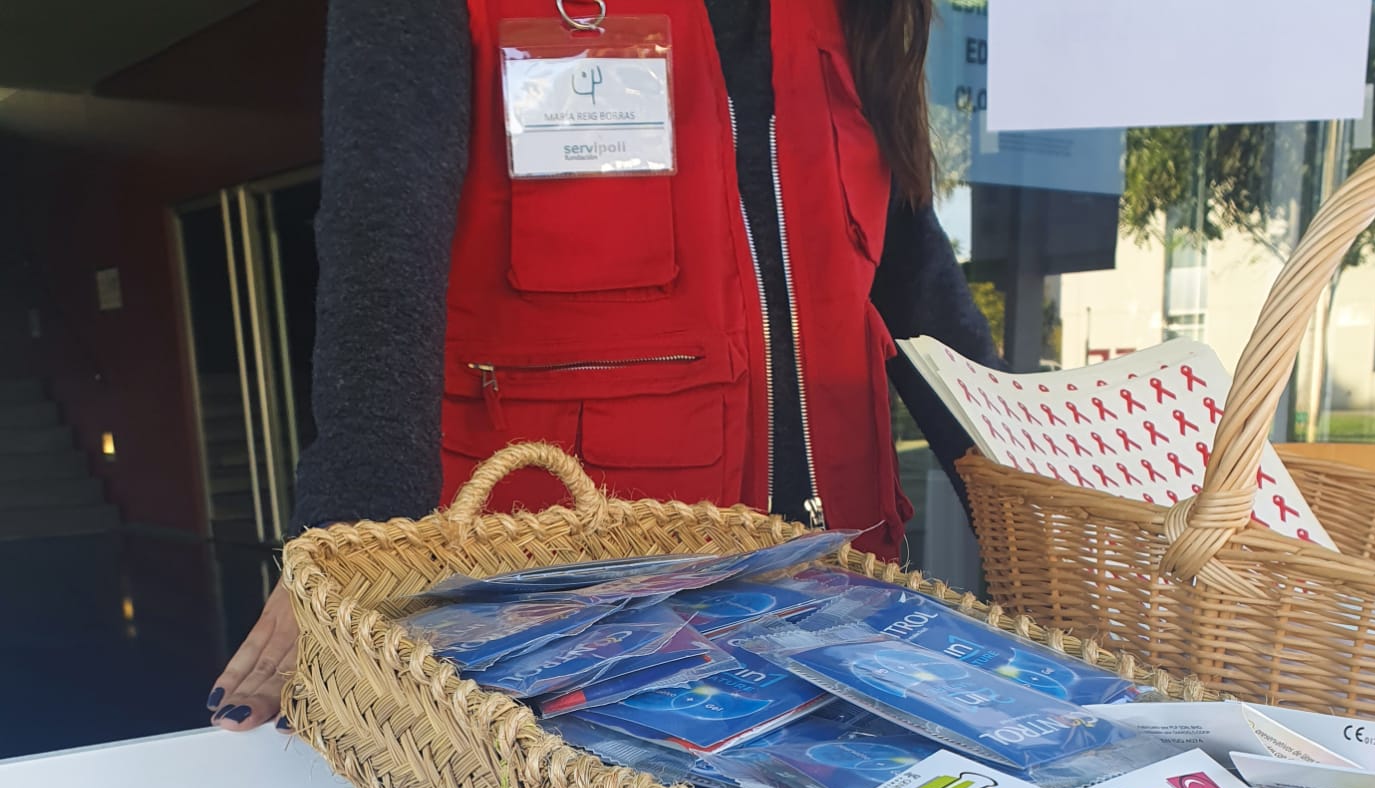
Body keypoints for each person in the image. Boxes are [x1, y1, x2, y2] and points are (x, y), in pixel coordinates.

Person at [208, 0, 999, 731]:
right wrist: (351, 543)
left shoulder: (853, 13)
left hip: (843, 615)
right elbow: (383, 236)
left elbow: (913, 280)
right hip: (580, 632)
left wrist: (1020, 484)